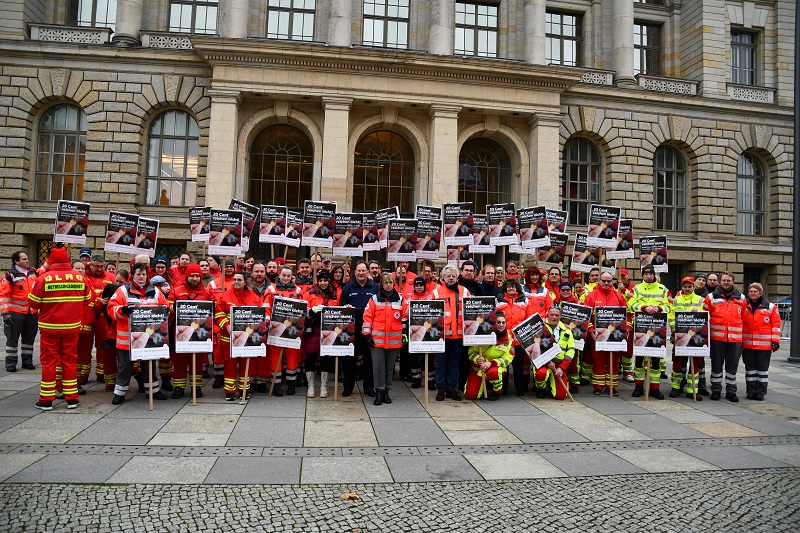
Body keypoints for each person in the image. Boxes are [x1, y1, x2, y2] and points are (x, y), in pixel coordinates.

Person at [27, 248, 92, 410]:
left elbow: (33, 303)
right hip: (72, 327)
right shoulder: (80, 278)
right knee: (70, 362)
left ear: (51, 260)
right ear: (67, 259)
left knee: (49, 363)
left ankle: (46, 400)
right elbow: (87, 300)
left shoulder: (44, 278)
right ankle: (72, 399)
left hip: (50, 328)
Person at [108, 262, 170, 405]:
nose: (141, 277)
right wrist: (122, 310)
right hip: (127, 338)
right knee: (125, 367)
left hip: (149, 337)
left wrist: (165, 310)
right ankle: (120, 393)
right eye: (138, 274)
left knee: (149, 365)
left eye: (143, 274)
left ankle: (153, 391)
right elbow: (111, 308)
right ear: (132, 275)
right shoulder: (123, 290)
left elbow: (165, 304)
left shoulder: (155, 290)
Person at [215, 271, 261, 401]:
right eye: (234, 279)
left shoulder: (254, 297)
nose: (236, 282)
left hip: (247, 338)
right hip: (228, 338)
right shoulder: (224, 296)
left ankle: (243, 390)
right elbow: (218, 314)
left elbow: (258, 315)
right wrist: (226, 325)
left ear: (245, 282)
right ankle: (229, 391)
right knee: (229, 365)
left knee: (246, 364)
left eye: (239, 280)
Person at [362, 273, 407, 406]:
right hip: (377, 341)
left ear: (394, 284)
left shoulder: (400, 299)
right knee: (378, 368)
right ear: (381, 284)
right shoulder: (375, 299)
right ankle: (379, 392)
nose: (388, 285)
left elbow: (407, 313)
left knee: (389, 369)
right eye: (386, 283)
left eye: (390, 283)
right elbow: (367, 317)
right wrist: (367, 334)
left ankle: (387, 392)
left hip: (393, 342)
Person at [169, 263, 212, 399]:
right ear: (186, 277)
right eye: (192, 276)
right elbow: (168, 304)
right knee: (180, 360)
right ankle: (178, 387)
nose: (194, 279)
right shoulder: (177, 290)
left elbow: (213, 307)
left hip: (200, 333)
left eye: (197, 276)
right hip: (180, 332)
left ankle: (196, 386)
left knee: (197, 360)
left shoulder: (206, 292)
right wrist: (174, 307)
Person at [628, 264, 671, 399]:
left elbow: (670, 305)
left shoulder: (663, 289)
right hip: (641, 328)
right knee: (640, 360)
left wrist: (659, 308)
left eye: (650, 274)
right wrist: (644, 307)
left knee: (656, 360)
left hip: (658, 329)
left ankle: (654, 388)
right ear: (643, 275)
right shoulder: (636, 288)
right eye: (646, 274)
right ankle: (638, 387)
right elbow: (630, 303)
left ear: (654, 275)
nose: (648, 276)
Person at [584, 271, 628, 396]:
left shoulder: (619, 296)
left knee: (613, 361)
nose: (606, 283)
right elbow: (585, 316)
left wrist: (627, 330)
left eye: (609, 281)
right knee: (598, 361)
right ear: (599, 281)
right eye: (604, 280)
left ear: (612, 282)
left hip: (615, 336)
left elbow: (627, 315)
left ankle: (611, 386)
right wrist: (591, 330)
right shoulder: (591, 296)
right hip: (598, 336)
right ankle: (598, 386)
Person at [703, 272, 746, 402]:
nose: (726, 282)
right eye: (724, 280)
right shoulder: (710, 297)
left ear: (733, 282)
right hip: (717, 339)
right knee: (716, 366)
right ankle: (716, 390)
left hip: (735, 339)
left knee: (732, 367)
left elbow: (744, 318)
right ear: (719, 282)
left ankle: (731, 391)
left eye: (729, 280)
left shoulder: (742, 298)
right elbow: (704, 317)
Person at [339, 260, 379, 397]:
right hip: (352, 331)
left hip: (369, 331)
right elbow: (341, 307)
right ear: (354, 272)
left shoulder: (375, 288)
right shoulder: (347, 289)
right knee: (349, 360)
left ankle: (369, 387)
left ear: (368, 272)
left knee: (369, 360)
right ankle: (348, 387)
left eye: (363, 270)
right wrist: (345, 308)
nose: (361, 273)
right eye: (359, 271)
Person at [263, 265, 305, 396]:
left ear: (292, 277)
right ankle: (277, 385)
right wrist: (267, 323)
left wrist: (300, 325)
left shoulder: (298, 290)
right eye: (283, 275)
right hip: (275, 330)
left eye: (288, 276)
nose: (286, 278)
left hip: (292, 330)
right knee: (275, 357)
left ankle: (291, 385)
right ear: (279, 276)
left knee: (292, 357)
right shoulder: (270, 289)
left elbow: (303, 309)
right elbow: (266, 308)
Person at [431, 264, 470, 401]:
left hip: (459, 335)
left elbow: (471, 311)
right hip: (442, 335)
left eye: (453, 275)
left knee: (454, 362)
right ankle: (440, 388)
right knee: (441, 362)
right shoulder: (436, 293)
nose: (451, 278)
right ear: (443, 277)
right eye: (448, 275)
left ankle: (451, 388)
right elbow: (428, 312)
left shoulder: (465, 291)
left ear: (457, 277)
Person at [742, 282, 781, 401]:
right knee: (750, 370)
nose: (753, 293)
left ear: (761, 293)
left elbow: (776, 325)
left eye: (755, 291)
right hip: (748, 345)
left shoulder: (770, 307)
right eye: (751, 291)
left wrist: (775, 341)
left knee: (762, 371)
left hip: (764, 346)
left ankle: (760, 392)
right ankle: (751, 391)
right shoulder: (744, 306)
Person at [496, 278, 535, 396]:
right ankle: (503, 389)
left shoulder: (525, 301)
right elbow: (494, 318)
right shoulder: (498, 300)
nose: (511, 288)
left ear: (517, 287)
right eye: (508, 286)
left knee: (518, 365)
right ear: (505, 288)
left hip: (519, 339)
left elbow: (529, 319)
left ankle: (520, 389)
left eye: (513, 286)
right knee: (504, 364)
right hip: (503, 339)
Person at [668, 276, 705, 400]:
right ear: (682, 287)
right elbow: (671, 316)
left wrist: (698, 312)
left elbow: (707, 317)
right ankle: (675, 388)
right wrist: (674, 330)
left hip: (696, 339)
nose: (687, 289)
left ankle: (692, 390)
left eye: (690, 286)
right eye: (685, 286)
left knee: (695, 364)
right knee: (677, 363)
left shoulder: (701, 300)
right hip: (680, 337)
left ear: (694, 287)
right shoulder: (676, 300)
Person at [1, 251, 38, 372]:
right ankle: (11, 363)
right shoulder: (9, 276)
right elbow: (4, 296)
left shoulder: (33, 272)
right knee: (12, 338)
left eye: (27, 258)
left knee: (29, 339)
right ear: (16, 261)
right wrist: (5, 313)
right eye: (24, 259)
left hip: (31, 312)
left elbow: (44, 269)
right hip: (15, 313)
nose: (27, 261)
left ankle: (27, 361)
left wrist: (51, 256)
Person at [464, 311, 513, 400]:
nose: (501, 325)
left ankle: (496, 391)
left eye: (503, 322)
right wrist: (477, 359)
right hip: (480, 368)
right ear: (494, 322)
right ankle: (483, 386)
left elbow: (508, 358)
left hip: (495, 368)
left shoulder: (509, 339)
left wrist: (491, 363)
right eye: (498, 322)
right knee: (471, 395)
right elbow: (471, 352)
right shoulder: (482, 333)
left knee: (494, 372)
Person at [305, 270, 339, 398]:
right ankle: (311, 385)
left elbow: (339, 309)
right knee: (310, 357)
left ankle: (324, 385)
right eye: (321, 280)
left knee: (326, 357)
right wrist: (311, 311)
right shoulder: (310, 292)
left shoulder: (334, 294)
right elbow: (302, 309)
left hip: (328, 330)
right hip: (313, 329)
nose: (323, 283)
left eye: (325, 280)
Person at [533, 306, 576, 400]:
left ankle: (553, 384)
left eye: (557, 315)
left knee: (561, 396)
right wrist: (546, 362)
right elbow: (535, 347)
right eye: (551, 315)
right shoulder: (540, 327)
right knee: (541, 374)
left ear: (560, 316)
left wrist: (562, 368)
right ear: (547, 315)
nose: (554, 317)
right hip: (543, 362)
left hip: (559, 364)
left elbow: (571, 350)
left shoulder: (567, 330)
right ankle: (541, 388)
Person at [408, 276, 434, 389]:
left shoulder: (430, 296)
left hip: (428, 329)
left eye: (421, 285)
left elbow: (435, 311)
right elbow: (405, 312)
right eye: (417, 285)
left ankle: (431, 380)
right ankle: (416, 378)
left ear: (424, 286)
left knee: (429, 356)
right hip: (414, 330)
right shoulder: (409, 298)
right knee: (414, 356)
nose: (419, 287)